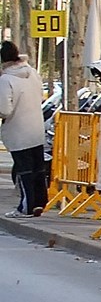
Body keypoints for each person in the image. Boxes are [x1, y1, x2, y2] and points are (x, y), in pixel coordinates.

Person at [0, 41, 48, 218]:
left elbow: (5, 109)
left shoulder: (6, 80)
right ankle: (40, 202)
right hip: (36, 128)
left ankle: (26, 206)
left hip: (17, 131)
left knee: (24, 170)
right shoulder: (32, 73)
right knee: (38, 168)